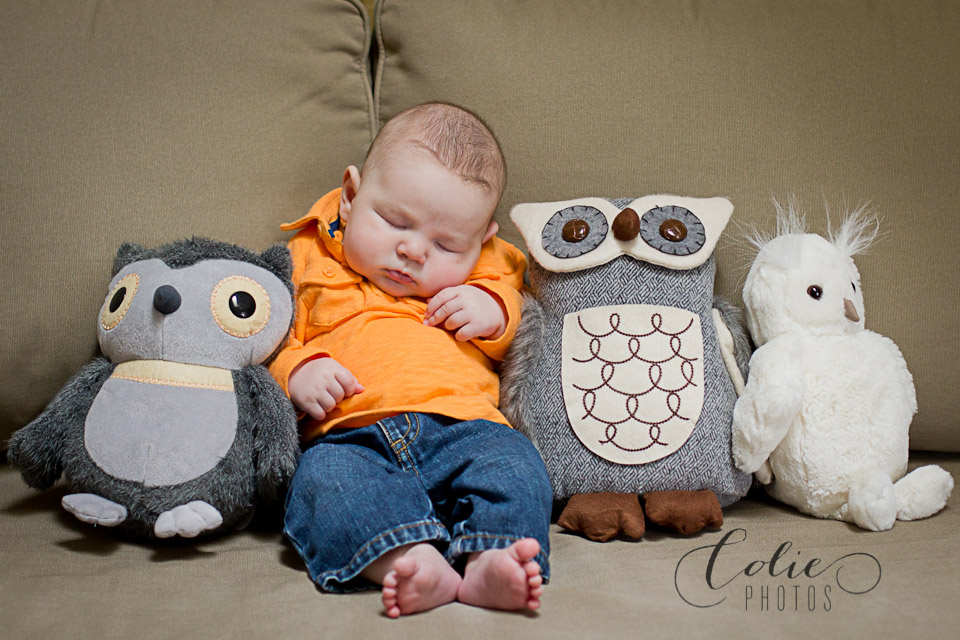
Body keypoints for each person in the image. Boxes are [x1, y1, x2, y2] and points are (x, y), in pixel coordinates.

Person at [269, 102, 552, 618]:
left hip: (469, 429)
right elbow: (269, 341)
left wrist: (492, 311)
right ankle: (409, 559)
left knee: (518, 465)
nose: (415, 252)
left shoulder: (490, 265)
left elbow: (520, 317)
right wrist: (297, 371)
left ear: (482, 240)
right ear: (350, 197)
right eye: (395, 221)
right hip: (351, 439)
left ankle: (493, 559)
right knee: (323, 483)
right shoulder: (302, 259)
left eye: (446, 244)